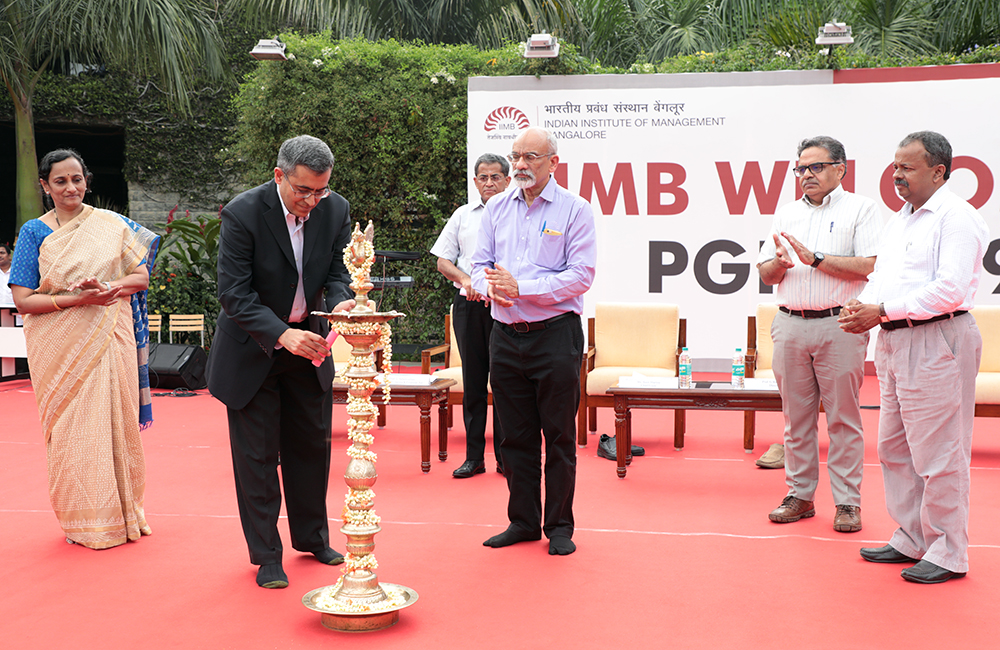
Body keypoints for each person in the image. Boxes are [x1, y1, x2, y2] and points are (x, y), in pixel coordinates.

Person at [206, 135, 356, 589]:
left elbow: (337, 272)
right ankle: (267, 554)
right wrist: (282, 333)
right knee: (257, 457)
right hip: (254, 351)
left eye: (320, 190)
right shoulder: (242, 213)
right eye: (303, 191)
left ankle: (312, 538)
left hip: (308, 348)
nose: (312, 201)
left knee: (312, 449)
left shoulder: (335, 210)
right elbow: (234, 294)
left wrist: (342, 302)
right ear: (279, 176)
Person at [839, 131, 988, 584]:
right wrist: (863, 304)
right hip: (895, 340)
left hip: (938, 338)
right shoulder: (901, 218)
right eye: (895, 165)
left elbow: (950, 289)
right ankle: (913, 537)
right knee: (895, 448)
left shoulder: (956, 218)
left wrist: (880, 311)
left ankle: (948, 551)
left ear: (939, 171)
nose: (896, 175)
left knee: (940, 453)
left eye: (907, 167)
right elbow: (884, 275)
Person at [9, 148, 159, 549]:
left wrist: (110, 289)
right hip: (59, 345)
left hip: (112, 336)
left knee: (116, 422)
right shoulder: (34, 233)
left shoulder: (112, 225)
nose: (71, 187)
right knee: (73, 430)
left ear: (86, 181)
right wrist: (78, 300)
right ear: (45, 186)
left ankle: (126, 513)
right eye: (60, 181)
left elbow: (140, 276)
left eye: (77, 179)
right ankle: (86, 520)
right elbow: (23, 299)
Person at [472, 126, 596, 556]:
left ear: (553, 163)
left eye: (531, 157)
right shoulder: (495, 208)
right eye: (516, 156)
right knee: (515, 438)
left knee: (559, 436)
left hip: (555, 337)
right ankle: (522, 522)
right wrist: (490, 287)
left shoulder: (575, 210)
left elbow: (581, 276)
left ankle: (559, 526)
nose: (520, 165)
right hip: (504, 336)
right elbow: (478, 265)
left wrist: (521, 287)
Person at [756, 136, 881, 533]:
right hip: (790, 323)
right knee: (796, 420)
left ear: (840, 168)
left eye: (815, 167)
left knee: (844, 418)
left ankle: (847, 502)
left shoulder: (861, 209)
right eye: (800, 169)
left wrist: (817, 259)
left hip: (840, 323)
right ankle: (800, 495)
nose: (806, 175)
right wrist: (777, 265)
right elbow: (764, 273)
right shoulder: (786, 213)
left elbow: (870, 265)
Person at [430, 153, 510, 478]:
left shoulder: (520, 216)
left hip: (507, 307)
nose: (488, 183)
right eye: (483, 178)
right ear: (475, 181)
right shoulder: (463, 215)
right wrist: (465, 279)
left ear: (507, 180)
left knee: (506, 382)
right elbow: (441, 260)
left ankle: (507, 459)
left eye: (495, 177)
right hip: (469, 307)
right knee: (475, 381)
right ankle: (474, 457)